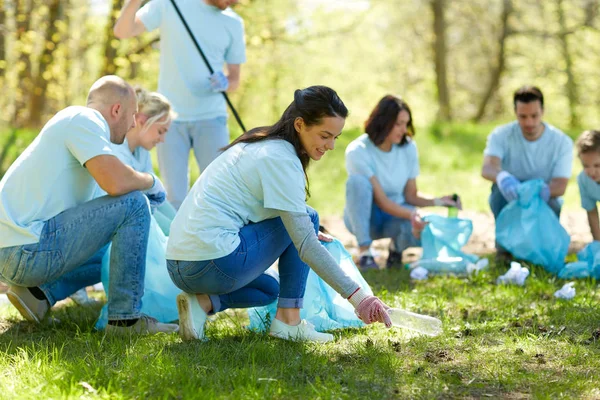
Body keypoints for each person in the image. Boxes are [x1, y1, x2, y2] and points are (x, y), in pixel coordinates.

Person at [166, 86, 393, 343]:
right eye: (324, 136)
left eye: (335, 138)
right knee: (307, 217)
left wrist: (297, 230)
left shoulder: (259, 143)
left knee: (269, 289)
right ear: (300, 124)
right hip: (212, 262)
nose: (330, 146)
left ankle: (203, 303)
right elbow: (306, 245)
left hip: (180, 265)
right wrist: (360, 298)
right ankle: (288, 323)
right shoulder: (281, 159)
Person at [0, 75, 178, 335]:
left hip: (17, 248)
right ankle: (124, 321)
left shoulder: (85, 138)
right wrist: (151, 182)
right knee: (134, 203)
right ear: (117, 110)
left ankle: (37, 294)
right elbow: (117, 184)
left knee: (120, 239)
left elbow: (106, 217)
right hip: (23, 249)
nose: (131, 124)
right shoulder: (84, 119)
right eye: (132, 115)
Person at [114, 0, 246, 209]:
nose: (235, 2)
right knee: (174, 196)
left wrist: (225, 82)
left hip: (212, 118)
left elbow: (235, 79)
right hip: (169, 122)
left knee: (218, 191)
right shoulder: (170, 4)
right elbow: (123, 31)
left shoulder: (233, 22)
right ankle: (173, 242)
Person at [95, 86, 180, 328]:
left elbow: (158, 198)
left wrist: (179, 229)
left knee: (172, 226)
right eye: (161, 131)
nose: (162, 139)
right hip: (111, 226)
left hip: (133, 218)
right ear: (142, 120)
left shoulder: (141, 153)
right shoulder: (116, 152)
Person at [343, 95, 460, 271]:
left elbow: (411, 195)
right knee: (357, 182)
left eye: (406, 124)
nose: (403, 130)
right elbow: (382, 201)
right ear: (383, 121)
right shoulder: (358, 150)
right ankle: (365, 252)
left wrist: (440, 201)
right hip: (368, 219)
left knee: (424, 226)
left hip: (395, 216)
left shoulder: (408, 148)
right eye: (398, 124)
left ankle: (396, 249)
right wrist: (412, 213)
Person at [481, 86, 573, 259]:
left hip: (542, 197)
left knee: (554, 203)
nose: (529, 123)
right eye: (523, 117)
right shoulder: (501, 135)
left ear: (543, 112)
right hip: (509, 196)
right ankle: (505, 249)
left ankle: (542, 245)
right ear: (515, 112)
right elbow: (487, 168)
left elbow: (560, 185)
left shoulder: (561, 142)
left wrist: (539, 191)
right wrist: (503, 177)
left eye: (534, 116)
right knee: (497, 192)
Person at [575, 130, 600, 241]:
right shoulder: (584, 180)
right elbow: (592, 212)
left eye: (597, 165)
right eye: (586, 166)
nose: (591, 171)